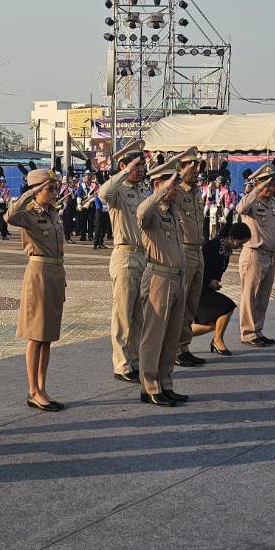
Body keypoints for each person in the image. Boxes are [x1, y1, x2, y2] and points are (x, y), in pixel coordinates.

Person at [7, 168, 67, 412]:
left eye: (55, 188)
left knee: (48, 335)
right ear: (36, 189)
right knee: (36, 335)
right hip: (39, 273)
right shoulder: (29, 213)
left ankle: (43, 387)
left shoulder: (53, 213)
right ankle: (33, 390)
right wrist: (30, 193)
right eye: (49, 188)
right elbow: (9, 216)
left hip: (54, 272)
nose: (54, 192)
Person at [135, 155, 190, 406]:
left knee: (171, 337)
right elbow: (141, 212)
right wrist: (162, 190)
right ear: (158, 184)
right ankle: (150, 386)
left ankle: (166, 383)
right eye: (171, 184)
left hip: (177, 278)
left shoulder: (174, 211)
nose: (175, 189)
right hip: (158, 278)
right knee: (154, 336)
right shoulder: (152, 212)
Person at [99, 140, 151, 383]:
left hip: (144, 255)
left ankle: (136, 360)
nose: (142, 169)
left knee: (139, 314)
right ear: (124, 165)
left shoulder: (143, 190)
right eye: (137, 165)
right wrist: (123, 170)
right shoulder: (118, 191)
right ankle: (121, 364)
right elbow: (103, 193)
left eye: (143, 165)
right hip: (126, 255)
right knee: (123, 314)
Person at [166, 148, 208, 369]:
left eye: (197, 167)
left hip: (198, 250)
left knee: (191, 303)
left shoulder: (196, 192)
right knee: (180, 304)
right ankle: (174, 350)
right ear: (180, 170)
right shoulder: (176, 192)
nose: (195, 172)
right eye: (190, 168)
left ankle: (184, 346)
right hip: (183, 251)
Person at [237, 163, 275, 346]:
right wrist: (257, 189)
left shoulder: (272, 203)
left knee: (263, 297)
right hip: (254, 254)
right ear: (258, 184)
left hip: (269, 256)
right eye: (267, 185)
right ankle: (248, 333)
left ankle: (258, 330)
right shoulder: (251, 201)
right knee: (250, 296)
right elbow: (240, 209)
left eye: (272, 185)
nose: (270, 188)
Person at [192, 224, 249, 356]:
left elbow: (216, 272)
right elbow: (198, 268)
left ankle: (177, 339)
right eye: (240, 242)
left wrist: (215, 282)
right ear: (231, 237)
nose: (240, 246)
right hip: (198, 290)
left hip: (206, 289)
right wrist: (209, 281)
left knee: (212, 324)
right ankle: (217, 340)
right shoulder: (212, 247)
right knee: (226, 306)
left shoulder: (225, 250)